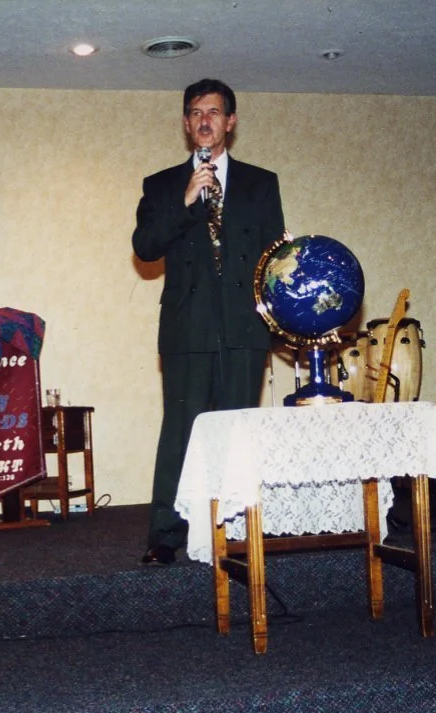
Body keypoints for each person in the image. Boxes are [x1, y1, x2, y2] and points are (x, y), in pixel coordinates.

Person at [132, 78, 285, 565]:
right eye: (196, 112)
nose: (204, 120)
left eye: (214, 112)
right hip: (187, 329)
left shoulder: (262, 183)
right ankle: (165, 536)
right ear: (185, 122)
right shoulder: (160, 185)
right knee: (181, 431)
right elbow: (145, 247)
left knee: (238, 432)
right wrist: (184, 202)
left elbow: (273, 258)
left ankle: (237, 530)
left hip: (244, 330)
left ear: (230, 122)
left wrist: (282, 318)